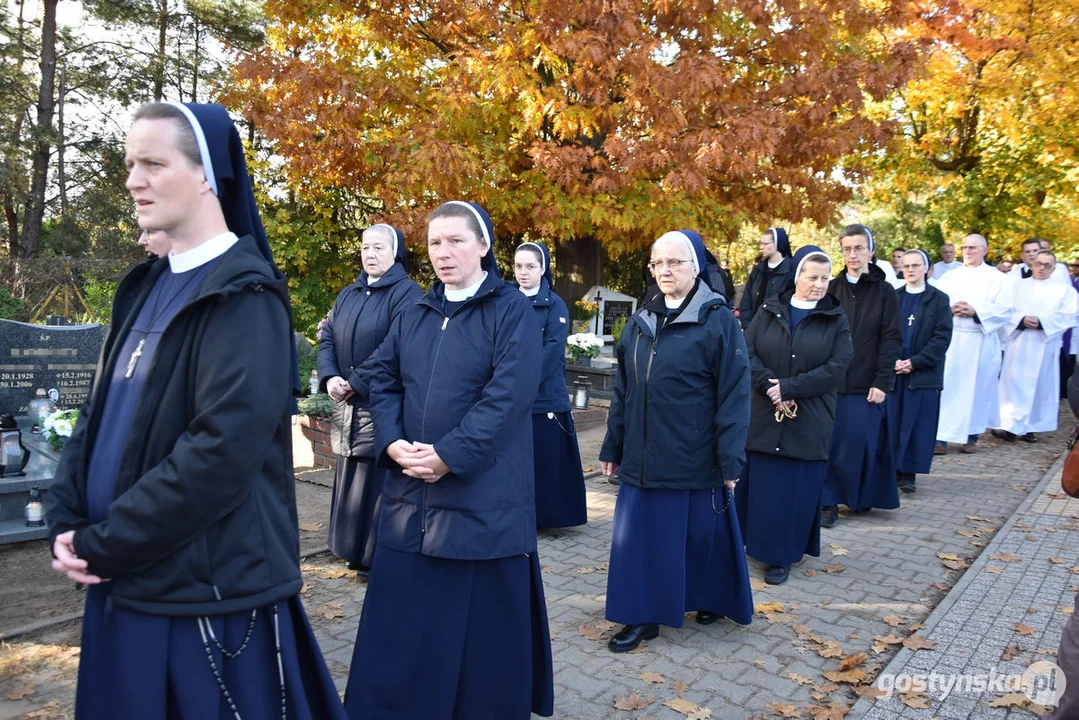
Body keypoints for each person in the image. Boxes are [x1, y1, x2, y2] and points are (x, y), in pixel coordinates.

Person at [45, 102, 345, 718]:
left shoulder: (245, 296)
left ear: (208, 174)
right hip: (124, 582)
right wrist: (64, 517)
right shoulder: (147, 285)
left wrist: (108, 542)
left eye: (154, 163)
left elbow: (218, 454)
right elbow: (96, 415)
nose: (133, 179)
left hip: (201, 598)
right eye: (131, 164)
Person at [344, 201, 553, 720]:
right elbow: (383, 378)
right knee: (406, 628)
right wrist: (392, 443)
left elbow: (507, 397)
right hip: (409, 498)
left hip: (481, 498)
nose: (444, 252)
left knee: (478, 641)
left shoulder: (511, 312)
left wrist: (449, 457)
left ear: (483, 246)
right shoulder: (414, 312)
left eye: (456, 240)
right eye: (435, 242)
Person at [600, 230, 753, 652]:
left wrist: (730, 460)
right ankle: (642, 616)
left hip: (694, 454)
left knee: (702, 536)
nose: (664, 271)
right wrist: (613, 445)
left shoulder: (718, 321)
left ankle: (711, 598)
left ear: (697, 266)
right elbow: (623, 390)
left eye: (674, 262)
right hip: (641, 457)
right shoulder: (640, 320)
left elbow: (734, 396)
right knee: (641, 543)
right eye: (657, 263)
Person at [737, 246, 853, 584]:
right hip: (763, 411)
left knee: (793, 490)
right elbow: (748, 350)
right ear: (796, 277)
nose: (819, 284)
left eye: (825, 278)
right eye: (812, 277)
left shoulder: (834, 318)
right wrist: (769, 386)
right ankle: (749, 541)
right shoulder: (770, 310)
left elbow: (838, 365)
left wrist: (790, 387)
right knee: (760, 484)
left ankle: (781, 556)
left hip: (809, 415)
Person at [317, 224, 422, 575]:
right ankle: (347, 547)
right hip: (346, 402)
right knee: (349, 473)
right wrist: (330, 376)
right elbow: (327, 335)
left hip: (379, 402)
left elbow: (394, 346)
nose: (370, 254)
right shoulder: (348, 293)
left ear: (395, 253)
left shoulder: (406, 294)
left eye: (378, 247)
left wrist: (355, 382)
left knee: (375, 480)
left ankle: (374, 558)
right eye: (365, 247)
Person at [821, 224, 902, 527]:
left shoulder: (884, 292)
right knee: (829, 443)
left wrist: (882, 381)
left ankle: (857, 497)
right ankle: (827, 502)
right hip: (831, 381)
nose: (852, 255)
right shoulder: (830, 289)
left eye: (858, 248)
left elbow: (891, 338)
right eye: (847, 248)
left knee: (858, 442)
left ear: (870, 251)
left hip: (866, 381)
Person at [514, 240, 587, 528]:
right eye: (518, 266)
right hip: (509, 393)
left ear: (543, 268)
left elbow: (551, 350)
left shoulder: (555, 304)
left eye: (530, 266)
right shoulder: (507, 299)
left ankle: (545, 517)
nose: (524, 272)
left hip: (543, 395)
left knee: (544, 460)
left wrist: (520, 383)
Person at [933, 234, 1013, 454]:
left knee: (977, 389)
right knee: (948, 389)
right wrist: (949, 310)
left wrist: (976, 311)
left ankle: (971, 436)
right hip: (953, 340)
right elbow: (935, 301)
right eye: (965, 247)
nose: (968, 251)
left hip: (981, 340)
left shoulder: (997, 279)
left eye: (973, 248)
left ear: (985, 250)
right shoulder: (950, 276)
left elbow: (1006, 310)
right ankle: (940, 438)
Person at [994, 250, 1078, 442]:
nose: (1041, 268)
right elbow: (1004, 311)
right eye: (1038, 263)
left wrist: (1042, 322)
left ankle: (1030, 426)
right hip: (1018, 342)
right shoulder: (1016, 286)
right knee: (1012, 385)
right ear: (1032, 264)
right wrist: (1021, 320)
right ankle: (1007, 426)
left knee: (1037, 386)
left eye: (1047, 265)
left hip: (1044, 344)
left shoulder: (1064, 291)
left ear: (1054, 268)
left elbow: (1067, 316)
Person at [889, 250, 953, 493]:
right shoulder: (893, 297)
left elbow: (941, 337)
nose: (911, 270)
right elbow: (884, 332)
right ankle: (892, 470)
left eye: (916, 265)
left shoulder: (939, 299)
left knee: (917, 425)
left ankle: (909, 474)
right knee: (893, 423)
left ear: (927, 269)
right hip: (894, 372)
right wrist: (892, 360)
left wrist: (915, 362)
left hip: (922, 374)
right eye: (906, 266)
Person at [738, 226, 793, 328]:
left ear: (777, 243)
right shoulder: (758, 270)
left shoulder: (790, 271)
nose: (761, 247)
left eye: (766, 244)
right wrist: (747, 326)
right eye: (761, 243)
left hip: (775, 331)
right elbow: (746, 300)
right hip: (753, 328)